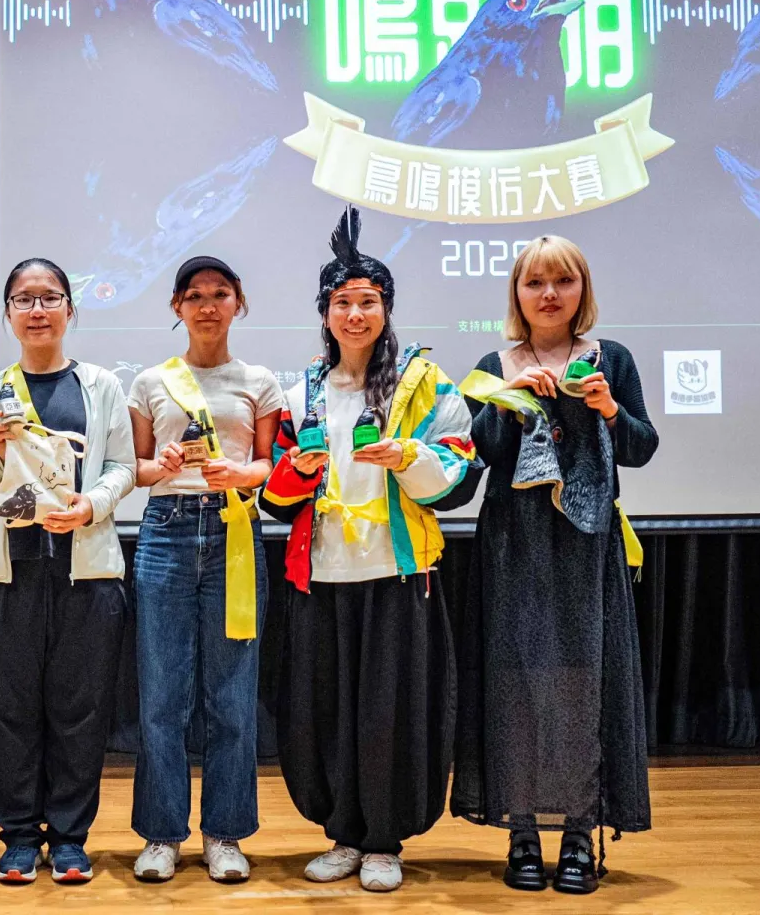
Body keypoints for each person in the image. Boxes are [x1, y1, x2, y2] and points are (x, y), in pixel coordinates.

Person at [260, 207, 476, 893]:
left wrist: (409, 455)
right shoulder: (301, 392)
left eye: (369, 302)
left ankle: (385, 840)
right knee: (326, 709)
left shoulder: (424, 384)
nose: (356, 315)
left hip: (396, 573)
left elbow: (458, 470)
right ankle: (345, 834)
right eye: (343, 303)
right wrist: (295, 472)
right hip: (320, 576)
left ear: (388, 310)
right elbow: (273, 491)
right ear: (323, 312)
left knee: (391, 711)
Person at [450, 235, 658, 894]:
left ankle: (576, 837)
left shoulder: (611, 358)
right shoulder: (495, 361)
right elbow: (478, 452)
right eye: (535, 282)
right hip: (514, 544)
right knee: (516, 686)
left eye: (562, 282)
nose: (548, 294)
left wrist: (608, 408)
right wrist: (508, 397)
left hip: (586, 546)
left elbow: (641, 448)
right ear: (516, 293)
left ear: (581, 291)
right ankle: (520, 838)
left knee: (581, 686)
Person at [0, 258, 136, 885]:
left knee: (80, 708)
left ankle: (68, 838)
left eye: (50, 297)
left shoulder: (102, 386)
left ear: (69, 310)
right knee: (8, 709)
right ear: (8, 314)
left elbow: (123, 465)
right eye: (24, 299)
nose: (38, 310)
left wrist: (92, 504)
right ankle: (15, 837)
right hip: (9, 571)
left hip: (85, 569)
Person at [126, 256, 283, 884]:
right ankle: (162, 834)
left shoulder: (260, 380)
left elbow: (274, 465)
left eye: (220, 294)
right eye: (195, 295)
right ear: (176, 307)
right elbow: (133, 470)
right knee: (162, 697)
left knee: (232, 698)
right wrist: (161, 465)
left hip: (235, 535)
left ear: (238, 302)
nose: (208, 305)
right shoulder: (149, 382)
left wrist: (246, 473)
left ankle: (224, 834)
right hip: (165, 533)